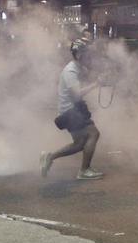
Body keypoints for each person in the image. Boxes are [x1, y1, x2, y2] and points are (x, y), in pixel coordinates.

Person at [40, 38, 104, 180]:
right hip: (70, 111)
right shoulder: (70, 71)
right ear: (79, 55)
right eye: (87, 54)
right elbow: (77, 94)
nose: (90, 57)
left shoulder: (77, 68)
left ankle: (49, 157)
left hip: (73, 110)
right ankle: (84, 170)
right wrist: (96, 84)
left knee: (80, 143)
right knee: (93, 134)